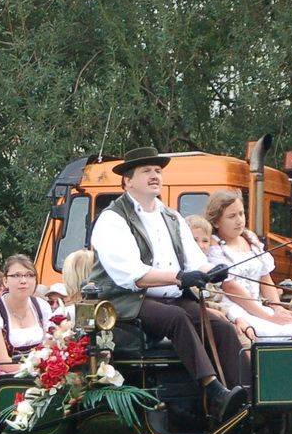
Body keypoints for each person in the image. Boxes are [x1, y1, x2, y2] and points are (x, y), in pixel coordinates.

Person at [86, 147, 247, 419]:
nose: (154, 176)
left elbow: (195, 261)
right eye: (146, 171)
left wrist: (214, 271)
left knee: (221, 326)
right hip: (125, 301)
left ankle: (245, 395)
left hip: (171, 296)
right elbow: (133, 275)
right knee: (176, 318)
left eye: (158, 171)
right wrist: (179, 278)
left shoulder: (171, 217)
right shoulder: (113, 218)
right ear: (128, 180)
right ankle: (215, 391)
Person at [202, 190, 292, 338]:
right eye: (232, 216)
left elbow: (265, 278)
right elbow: (230, 286)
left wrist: (278, 308)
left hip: (259, 306)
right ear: (216, 222)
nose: (239, 221)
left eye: (241, 213)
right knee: (278, 334)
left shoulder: (250, 237)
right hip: (235, 308)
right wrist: (269, 317)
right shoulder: (214, 245)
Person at [0, 254, 53, 367]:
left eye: (29, 275)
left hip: (38, 374)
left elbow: (49, 348)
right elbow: (3, 364)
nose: (23, 281)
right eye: (16, 275)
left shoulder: (42, 306)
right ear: (5, 281)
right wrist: (36, 369)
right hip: (1, 378)